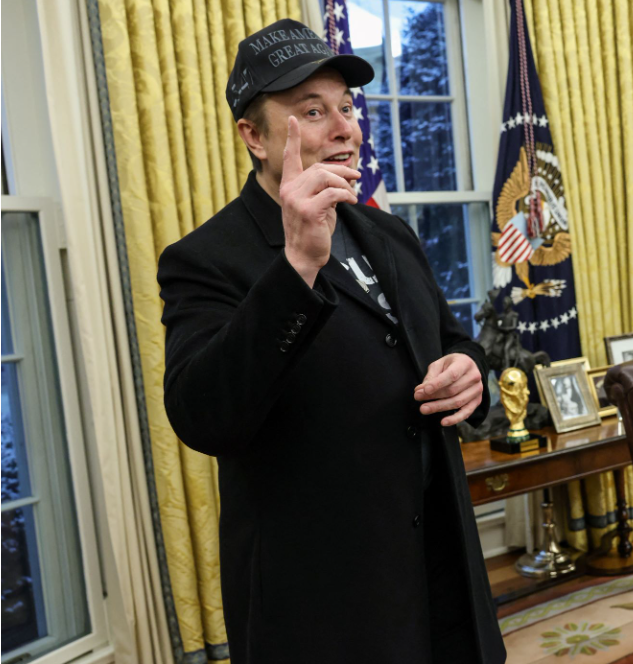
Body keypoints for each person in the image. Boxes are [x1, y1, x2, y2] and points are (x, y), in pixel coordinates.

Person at [157, 19, 505, 664]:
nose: (345, 126)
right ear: (254, 136)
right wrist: (296, 268)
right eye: (312, 111)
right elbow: (205, 417)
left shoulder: (390, 235)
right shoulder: (204, 258)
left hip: (441, 567)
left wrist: (468, 370)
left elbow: (457, 343)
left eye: (347, 107)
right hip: (326, 601)